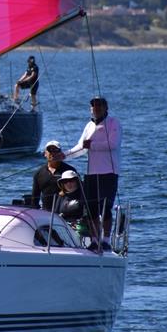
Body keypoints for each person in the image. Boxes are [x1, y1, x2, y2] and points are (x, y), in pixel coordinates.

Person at [65, 96, 122, 252]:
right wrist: (64, 155)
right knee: (90, 209)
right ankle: (95, 240)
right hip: (91, 173)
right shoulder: (89, 125)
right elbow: (82, 147)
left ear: (106, 107)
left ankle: (106, 240)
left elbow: (113, 144)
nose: (96, 108)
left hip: (108, 172)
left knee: (106, 207)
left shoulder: (113, 123)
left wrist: (93, 145)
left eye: (99, 105)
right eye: (93, 106)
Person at [31, 140, 78, 211]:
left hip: (66, 211)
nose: (53, 153)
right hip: (45, 212)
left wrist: (65, 192)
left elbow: (79, 190)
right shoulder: (39, 173)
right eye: (50, 150)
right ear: (45, 154)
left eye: (56, 150)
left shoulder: (70, 170)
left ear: (61, 153)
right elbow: (35, 197)